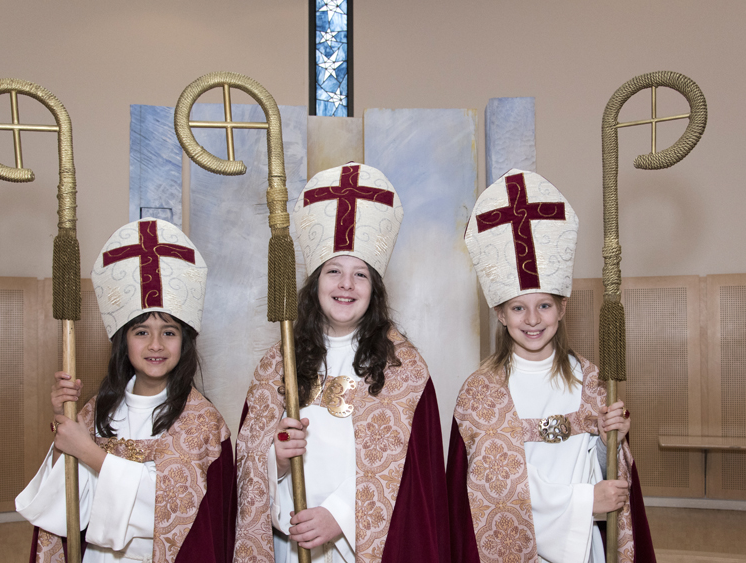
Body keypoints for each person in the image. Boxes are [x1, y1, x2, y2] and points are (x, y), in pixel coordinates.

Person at [234, 163, 450, 563]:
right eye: (334, 271)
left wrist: (340, 515)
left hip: (361, 547)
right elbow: (247, 457)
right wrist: (275, 460)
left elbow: (410, 477)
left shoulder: (404, 370)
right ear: (316, 283)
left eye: (360, 275)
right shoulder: (277, 363)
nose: (346, 285)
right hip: (288, 542)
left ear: (375, 289)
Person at [448, 170, 654, 563]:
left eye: (543, 305)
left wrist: (616, 441)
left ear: (562, 308)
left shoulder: (592, 379)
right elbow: (493, 486)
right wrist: (582, 502)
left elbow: (608, 468)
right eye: (517, 308)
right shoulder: (481, 391)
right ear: (500, 314)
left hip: (583, 545)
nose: (532, 319)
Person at [16, 218, 236, 563]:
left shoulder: (201, 421)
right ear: (123, 342)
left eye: (169, 332)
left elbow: (174, 510)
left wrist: (89, 453)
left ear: (185, 341)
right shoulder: (97, 410)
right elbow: (65, 505)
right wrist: (64, 425)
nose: (155, 345)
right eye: (141, 332)